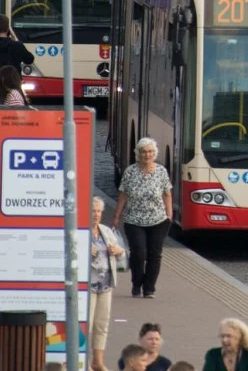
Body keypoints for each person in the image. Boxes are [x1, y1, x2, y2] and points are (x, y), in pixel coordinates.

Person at [114, 138, 172, 299]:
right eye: (144, 152)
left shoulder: (161, 171)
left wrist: (169, 215)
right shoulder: (130, 171)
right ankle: (136, 282)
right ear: (138, 154)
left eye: (150, 151)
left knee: (155, 254)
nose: (147, 155)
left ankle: (149, 288)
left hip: (158, 220)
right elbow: (123, 194)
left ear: (155, 153)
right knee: (139, 252)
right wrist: (117, 216)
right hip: (134, 220)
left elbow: (167, 194)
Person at [88, 196, 124, 371]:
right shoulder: (81, 232)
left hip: (105, 285)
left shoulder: (105, 231)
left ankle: (98, 362)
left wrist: (118, 250)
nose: (96, 215)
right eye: (93, 211)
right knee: (86, 325)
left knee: (102, 325)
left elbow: (122, 254)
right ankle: (83, 360)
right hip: (88, 287)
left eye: (98, 212)